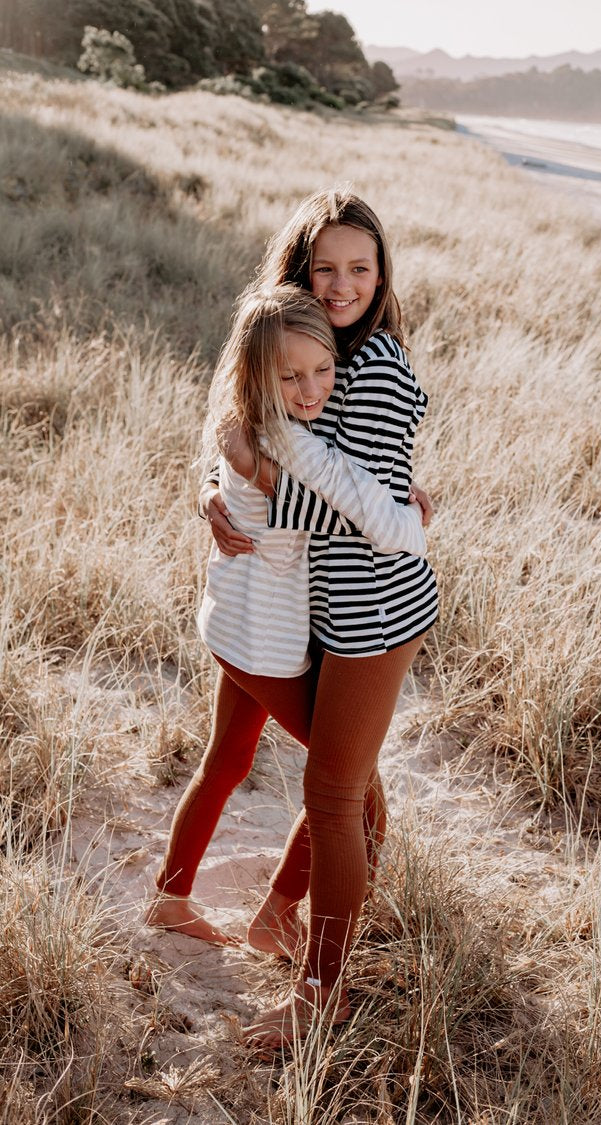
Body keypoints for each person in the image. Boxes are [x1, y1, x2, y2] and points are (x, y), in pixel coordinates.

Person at [202, 189, 439, 1050]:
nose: (343, 285)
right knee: (349, 787)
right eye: (326, 268)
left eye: (361, 268)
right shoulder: (303, 344)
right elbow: (250, 427)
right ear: (301, 273)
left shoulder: (372, 367)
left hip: (376, 608)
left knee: (336, 793)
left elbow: (368, 512)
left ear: (383, 275)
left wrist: (258, 476)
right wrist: (217, 486)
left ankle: (320, 993)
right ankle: (277, 915)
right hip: (323, 607)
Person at [147, 284, 428, 954]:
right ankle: (278, 915)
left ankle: (170, 896)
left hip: (233, 623)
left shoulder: (244, 416)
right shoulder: (283, 441)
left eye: (323, 370)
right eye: (290, 375)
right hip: (264, 644)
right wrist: (412, 511)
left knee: (227, 758)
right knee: (353, 788)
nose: (309, 389)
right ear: (259, 375)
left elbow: (235, 459)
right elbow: (374, 519)